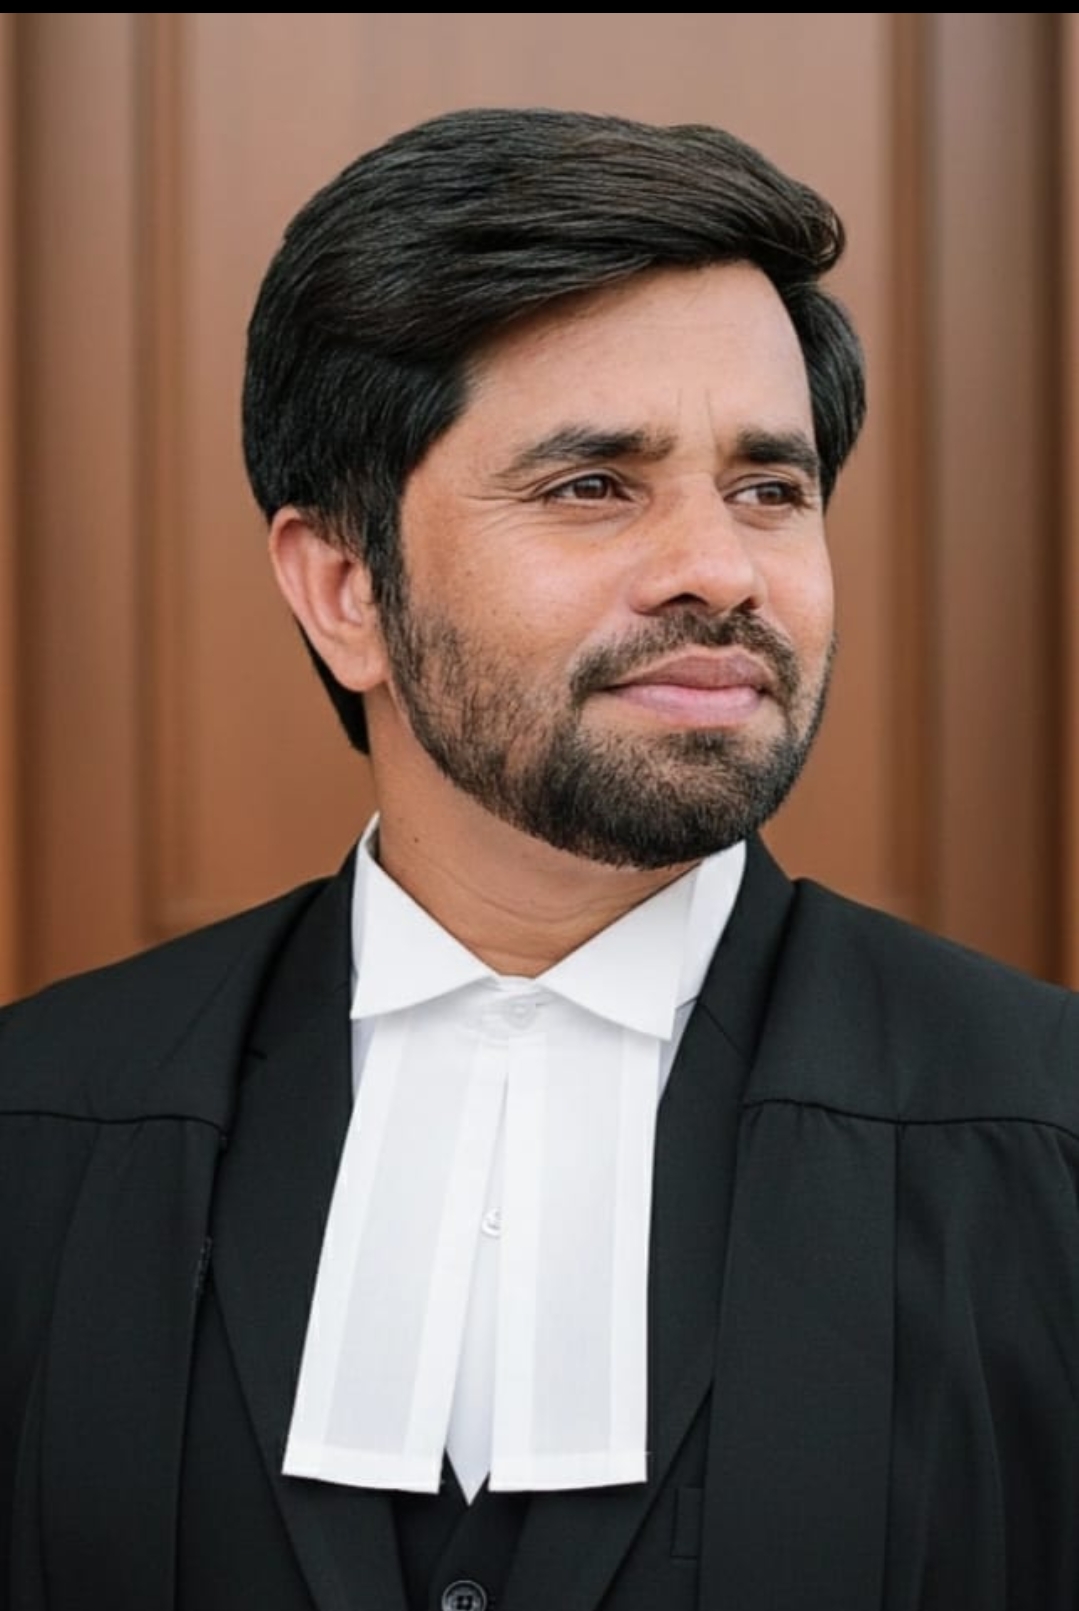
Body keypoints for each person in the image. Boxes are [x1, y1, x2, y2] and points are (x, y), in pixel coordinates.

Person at [2, 105, 1077, 1611]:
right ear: (346, 588)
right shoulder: (37, 1128)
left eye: (770, 489)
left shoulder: (1050, 1131)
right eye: (593, 486)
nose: (721, 569)